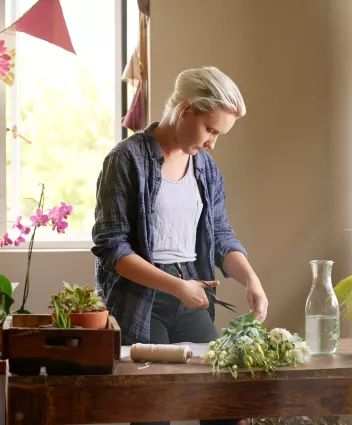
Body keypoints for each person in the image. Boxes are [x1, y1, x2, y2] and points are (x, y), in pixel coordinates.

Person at [92, 66, 267, 425]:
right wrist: (175, 286)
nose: (211, 143)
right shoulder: (126, 160)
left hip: (192, 294)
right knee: (154, 408)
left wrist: (251, 279)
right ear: (186, 110)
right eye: (210, 130)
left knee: (222, 403)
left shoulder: (206, 167)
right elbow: (112, 248)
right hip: (142, 300)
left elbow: (220, 235)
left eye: (219, 134)